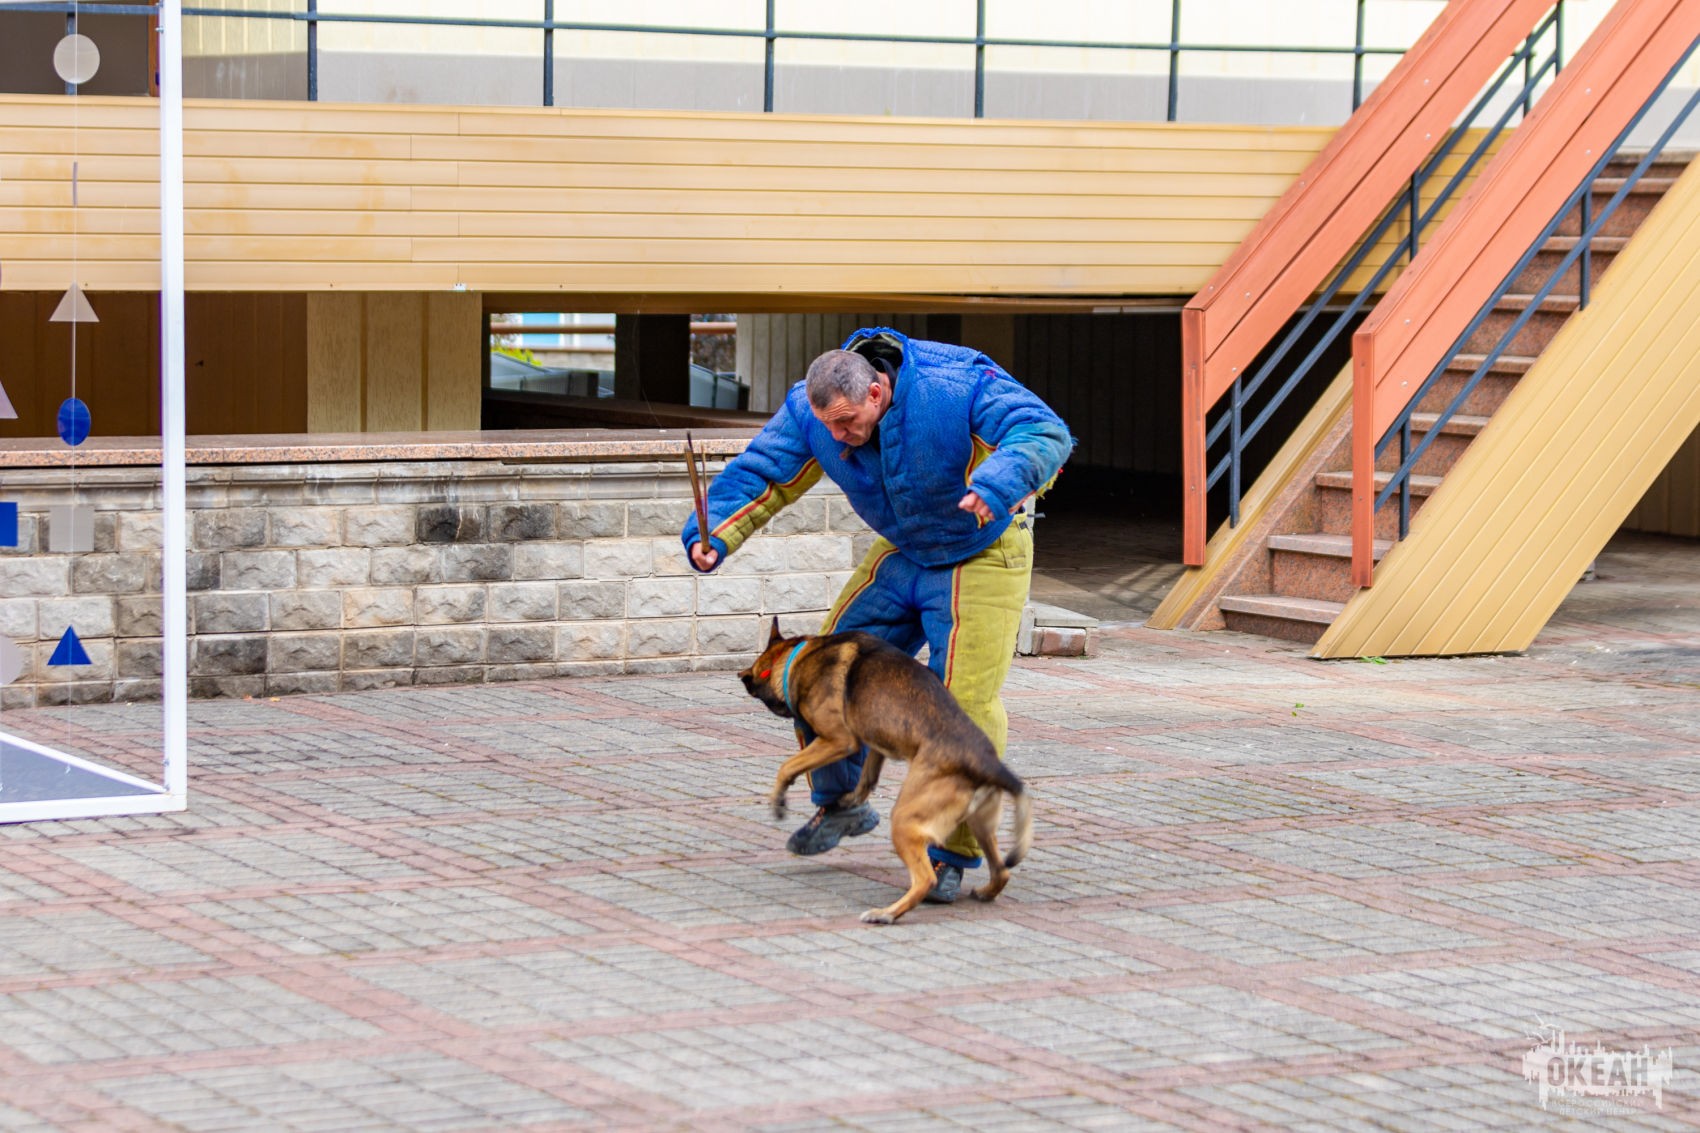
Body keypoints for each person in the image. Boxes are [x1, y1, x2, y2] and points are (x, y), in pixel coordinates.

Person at [682, 326, 1072, 902]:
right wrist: (712, 533)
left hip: (984, 546)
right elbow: (763, 473)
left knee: (961, 707)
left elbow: (1042, 431)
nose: (838, 438)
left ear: (876, 391)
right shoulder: (811, 411)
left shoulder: (954, 382)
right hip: (905, 548)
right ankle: (841, 804)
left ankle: (950, 851)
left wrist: (997, 484)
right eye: (828, 427)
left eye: (847, 423)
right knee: (815, 671)